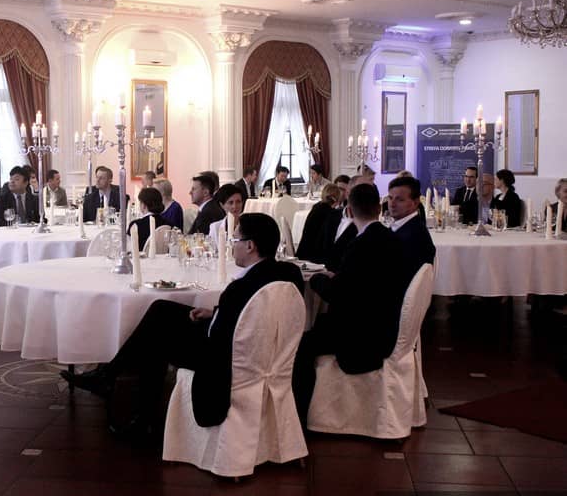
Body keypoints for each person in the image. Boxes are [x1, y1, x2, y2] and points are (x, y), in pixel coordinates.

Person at [62, 213, 304, 437]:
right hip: (265, 352)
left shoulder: (239, 287)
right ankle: (110, 379)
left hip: (228, 359)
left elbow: (220, 332)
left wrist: (217, 319)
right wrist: (215, 313)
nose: (232, 245)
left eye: (235, 239)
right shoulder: (289, 274)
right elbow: (256, 314)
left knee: (156, 338)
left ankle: (138, 414)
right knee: (161, 309)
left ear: (250, 246)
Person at [293, 183, 411, 424]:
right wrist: (339, 278)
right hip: (385, 323)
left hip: (362, 337)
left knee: (299, 345)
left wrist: (316, 279)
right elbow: (362, 282)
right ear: (379, 208)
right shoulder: (392, 239)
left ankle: (300, 416)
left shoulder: (360, 244)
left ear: (349, 209)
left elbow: (337, 295)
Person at [387, 176, 436, 281]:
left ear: (415, 202)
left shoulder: (414, 236)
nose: (392, 204)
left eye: (400, 200)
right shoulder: (405, 227)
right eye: (390, 198)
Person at [295, 183, 342, 263]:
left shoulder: (317, 207)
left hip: (303, 250)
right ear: (337, 199)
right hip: (313, 256)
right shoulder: (331, 214)